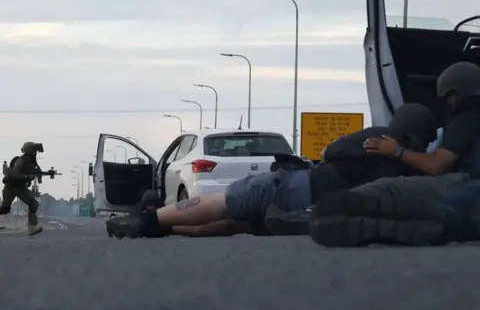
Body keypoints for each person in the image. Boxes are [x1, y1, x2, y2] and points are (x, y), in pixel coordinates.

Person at [105, 102, 438, 239]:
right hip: (324, 209)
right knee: (236, 224)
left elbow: (333, 151)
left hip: (302, 185)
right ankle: (172, 230)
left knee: (227, 201)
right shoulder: (411, 169)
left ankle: (151, 221)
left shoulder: (377, 138)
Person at [308, 61, 480, 246]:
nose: (449, 104)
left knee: (385, 189)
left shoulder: (469, 111)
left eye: (448, 98)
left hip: (465, 182)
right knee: (456, 213)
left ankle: (312, 217)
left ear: (456, 93)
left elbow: (436, 165)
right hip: (469, 194)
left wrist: (397, 151)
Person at [0, 142, 44, 236]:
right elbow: (15, 174)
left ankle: (32, 227)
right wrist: (27, 177)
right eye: (34, 151)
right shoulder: (21, 161)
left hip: (21, 188)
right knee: (5, 209)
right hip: (11, 188)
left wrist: (33, 177)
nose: (35, 153)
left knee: (34, 204)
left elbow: (32, 173)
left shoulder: (31, 163)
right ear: (29, 152)